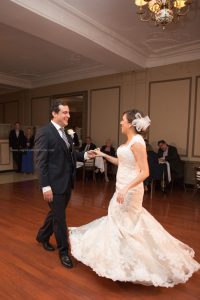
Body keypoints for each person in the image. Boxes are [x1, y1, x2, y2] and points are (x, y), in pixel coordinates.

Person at [69, 110, 200, 287]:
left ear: (131, 123)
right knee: (120, 223)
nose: (120, 123)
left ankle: (135, 264)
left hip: (130, 191)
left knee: (128, 224)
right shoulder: (129, 141)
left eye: (123, 120)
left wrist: (126, 189)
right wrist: (103, 155)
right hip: (122, 187)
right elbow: (121, 163)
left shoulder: (137, 142)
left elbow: (145, 172)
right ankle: (122, 260)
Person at [34, 100, 95, 269]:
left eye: (69, 112)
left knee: (55, 213)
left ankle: (42, 236)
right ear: (54, 114)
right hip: (54, 185)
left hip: (67, 182)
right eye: (65, 112)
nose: (68, 115)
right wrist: (45, 186)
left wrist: (86, 155)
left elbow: (70, 154)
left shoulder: (65, 133)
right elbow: (40, 162)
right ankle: (63, 252)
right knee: (60, 219)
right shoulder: (44, 133)